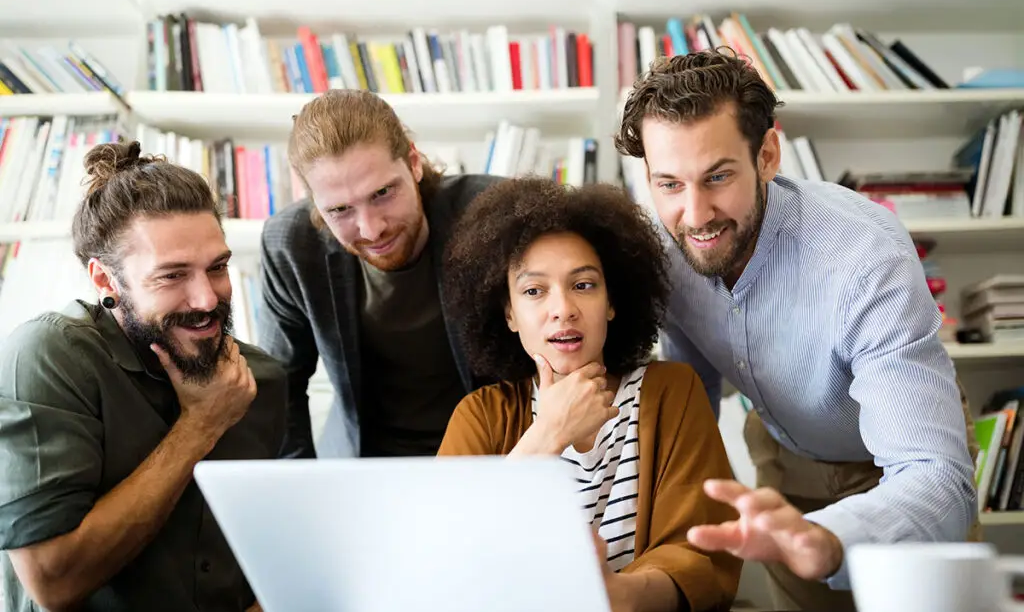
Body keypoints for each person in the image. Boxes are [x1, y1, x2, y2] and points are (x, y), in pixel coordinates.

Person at [613, 50, 979, 611]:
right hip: (783, 464)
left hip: (895, 471)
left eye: (717, 177)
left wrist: (831, 538)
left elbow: (936, 479)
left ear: (767, 155)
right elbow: (693, 393)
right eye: (669, 184)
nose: (696, 213)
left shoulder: (863, 256)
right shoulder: (663, 250)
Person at [0, 140, 286, 612]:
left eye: (217, 268)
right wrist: (200, 426)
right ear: (105, 281)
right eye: (172, 276)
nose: (207, 299)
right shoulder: (48, 357)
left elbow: (266, 564)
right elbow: (53, 583)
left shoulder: (262, 380)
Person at [436, 177, 742, 612]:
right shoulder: (480, 417)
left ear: (612, 302)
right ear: (508, 313)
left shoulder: (671, 393)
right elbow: (442, 558)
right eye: (533, 291)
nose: (562, 308)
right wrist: (548, 436)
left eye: (583, 285)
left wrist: (617, 596)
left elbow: (702, 557)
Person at [259, 89, 500, 459]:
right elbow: (281, 389)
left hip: (491, 456)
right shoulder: (290, 246)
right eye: (340, 210)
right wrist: (301, 499)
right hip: (363, 468)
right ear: (312, 200)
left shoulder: (490, 214)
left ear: (414, 162)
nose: (371, 229)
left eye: (383, 192)